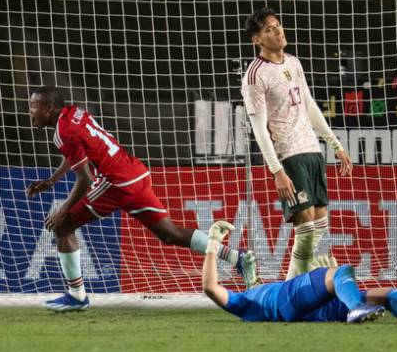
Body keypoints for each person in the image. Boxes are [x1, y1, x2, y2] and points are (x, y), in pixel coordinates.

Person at [28, 86, 256, 312]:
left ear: (49, 108)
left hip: (115, 182)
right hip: (135, 173)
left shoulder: (63, 131)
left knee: (63, 225)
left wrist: (62, 210)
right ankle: (238, 258)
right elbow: (77, 153)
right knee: (170, 233)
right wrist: (52, 180)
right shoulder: (75, 113)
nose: (30, 111)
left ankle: (77, 296)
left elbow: (86, 178)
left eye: (33, 106)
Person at [241, 8, 354, 279]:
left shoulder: (293, 62)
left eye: (278, 25)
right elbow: (259, 128)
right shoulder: (255, 75)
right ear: (256, 39)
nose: (278, 31)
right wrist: (276, 170)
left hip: (312, 150)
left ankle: (292, 287)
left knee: (319, 226)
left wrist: (334, 143)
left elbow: (310, 105)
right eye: (269, 29)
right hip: (288, 155)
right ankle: (292, 291)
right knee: (305, 230)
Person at [202, 222, 397, 324]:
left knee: (387, 295)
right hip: (288, 300)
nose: (253, 274)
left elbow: (254, 280)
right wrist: (213, 245)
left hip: (316, 311)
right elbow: (211, 288)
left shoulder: (257, 292)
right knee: (341, 272)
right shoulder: (243, 302)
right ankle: (355, 309)